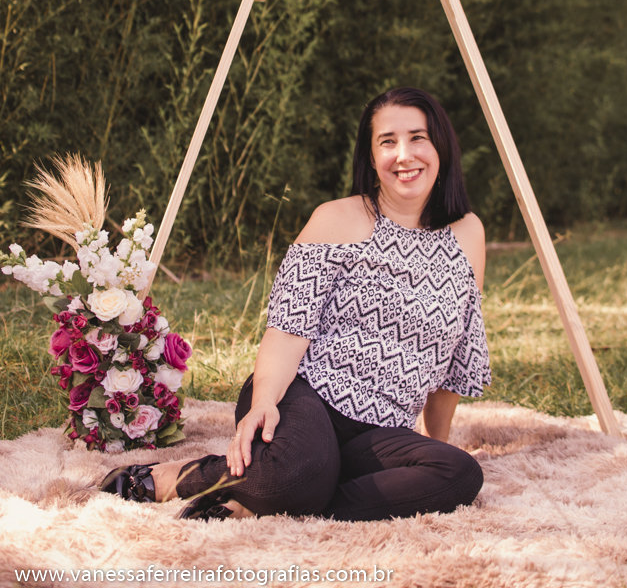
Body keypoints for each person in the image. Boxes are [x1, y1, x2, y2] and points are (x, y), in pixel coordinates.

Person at [102, 86, 491, 522]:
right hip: (303, 400)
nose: (404, 154)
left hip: (382, 432)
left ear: (440, 144)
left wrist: (435, 442)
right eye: (388, 141)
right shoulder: (337, 218)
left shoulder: (467, 234)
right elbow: (288, 329)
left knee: (458, 475)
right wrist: (265, 399)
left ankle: (272, 495)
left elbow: (452, 359)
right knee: (296, 475)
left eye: (418, 137)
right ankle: (185, 477)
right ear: (370, 156)